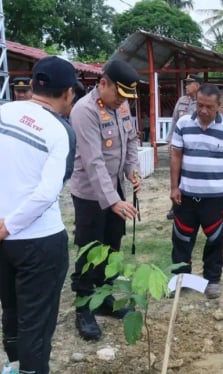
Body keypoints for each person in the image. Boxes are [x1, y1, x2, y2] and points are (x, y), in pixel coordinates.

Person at [0, 56, 77, 374]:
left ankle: (13, 367)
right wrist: (8, 225)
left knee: (12, 312)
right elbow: (45, 194)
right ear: (68, 93)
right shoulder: (59, 131)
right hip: (40, 242)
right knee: (36, 325)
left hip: (1, 242)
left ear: (32, 85)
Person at [69, 59, 142, 341]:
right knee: (90, 250)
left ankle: (106, 297)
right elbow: (93, 161)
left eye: (127, 97)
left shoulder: (121, 104)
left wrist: (132, 172)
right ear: (103, 84)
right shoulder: (84, 111)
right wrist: (112, 201)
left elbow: (132, 141)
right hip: (90, 194)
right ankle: (84, 305)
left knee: (112, 243)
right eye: (119, 94)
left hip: (114, 188)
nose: (123, 101)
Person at [170, 83, 223, 299]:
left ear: (219, 105)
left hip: (216, 197)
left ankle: (212, 280)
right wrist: (174, 187)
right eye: (200, 105)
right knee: (181, 239)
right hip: (186, 195)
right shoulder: (183, 124)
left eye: (209, 107)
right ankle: (181, 279)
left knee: (215, 240)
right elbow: (176, 155)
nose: (203, 111)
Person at [166, 74, 202, 220]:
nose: (186, 85)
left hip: (195, 147)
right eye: (186, 83)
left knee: (194, 175)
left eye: (189, 83)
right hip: (180, 146)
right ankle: (175, 206)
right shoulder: (182, 100)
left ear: (197, 86)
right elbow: (174, 121)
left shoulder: (202, 101)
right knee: (177, 175)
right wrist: (170, 140)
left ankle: (195, 204)